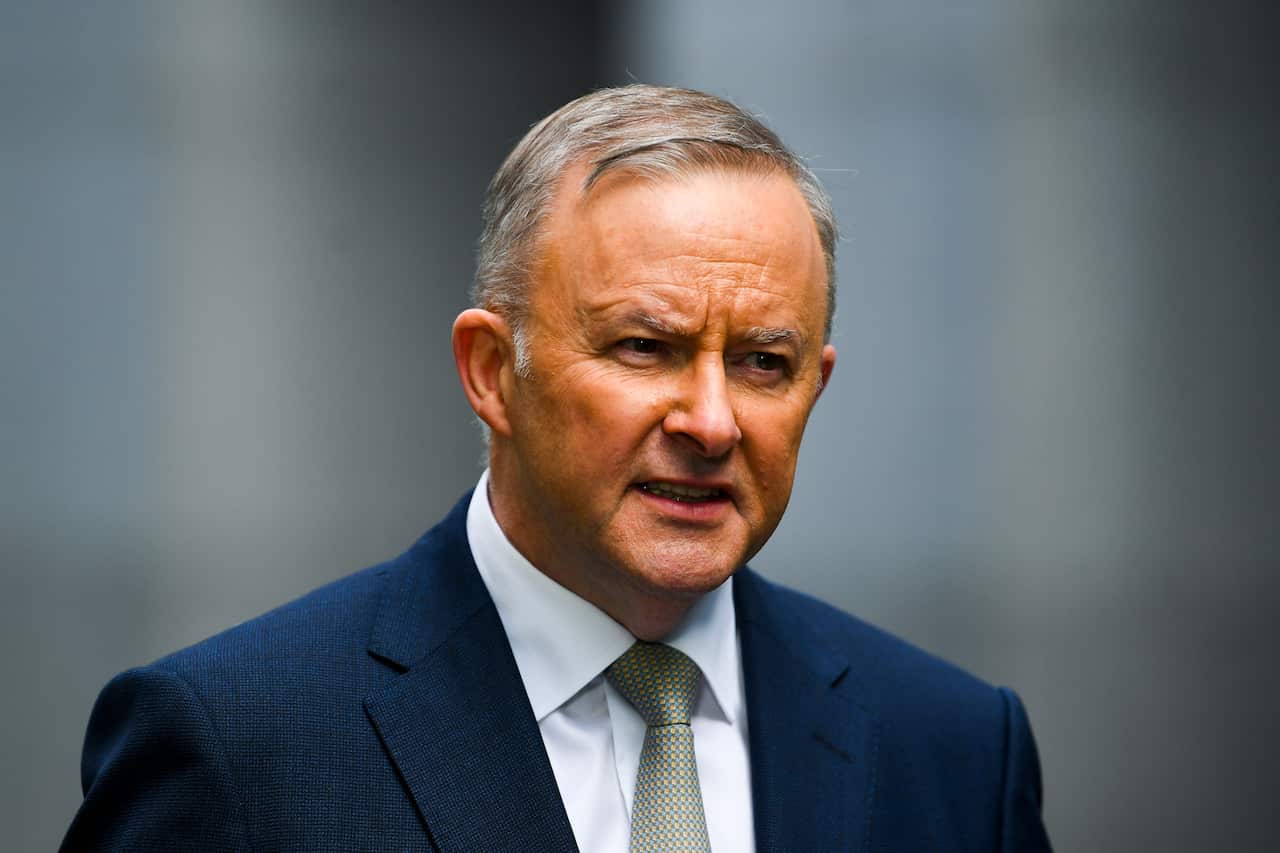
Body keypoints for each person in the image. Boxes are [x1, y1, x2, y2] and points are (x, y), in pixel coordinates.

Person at [61, 85, 1052, 852]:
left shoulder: (954, 749)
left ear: (815, 386)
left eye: (762, 363)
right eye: (642, 347)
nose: (712, 422)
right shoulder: (239, 745)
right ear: (492, 372)